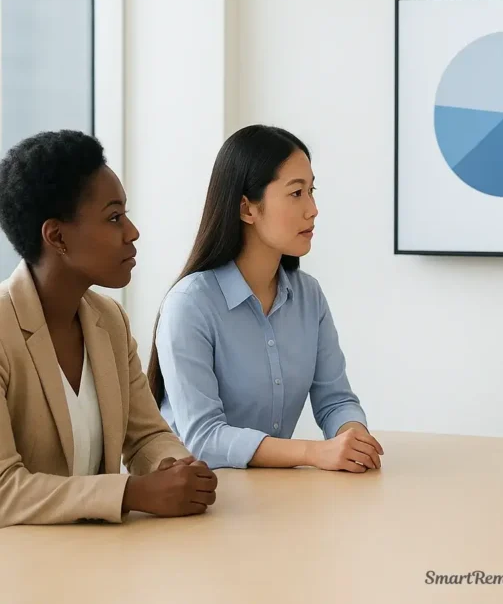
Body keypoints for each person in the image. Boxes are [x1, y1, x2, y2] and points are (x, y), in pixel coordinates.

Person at [0, 130, 217, 527]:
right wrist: (133, 493)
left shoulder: (110, 321)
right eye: (114, 217)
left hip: (103, 562)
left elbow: (148, 437)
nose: (131, 232)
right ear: (57, 236)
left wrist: (175, 468)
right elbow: (4, 491)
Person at [150, 125, 382, 472]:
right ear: (247, 209)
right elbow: (204, 438)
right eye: (296, 193)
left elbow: (335, 400)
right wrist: (312, 453)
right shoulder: (189, 304)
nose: (313, 209)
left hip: (272, 496)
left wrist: (352, 437)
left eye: (312, 190)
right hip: (200, 502)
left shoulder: (309, 296)